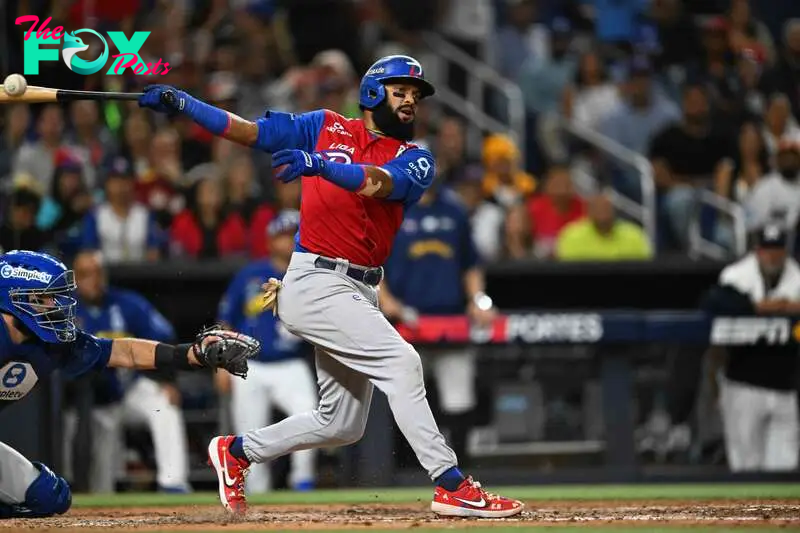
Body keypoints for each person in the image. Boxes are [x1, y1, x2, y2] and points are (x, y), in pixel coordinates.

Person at [138, 54, 523, 518]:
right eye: (400, 91)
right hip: (316, 278)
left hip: (359, 288)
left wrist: (320, 166)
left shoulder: (416, 157)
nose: (409, 102)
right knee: (402, 363)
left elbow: (379, 184)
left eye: (415, 96)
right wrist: (185, 104)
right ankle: (450, 484)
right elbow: (248, 131)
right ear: (372, 93)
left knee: (341, 423)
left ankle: (237, 451)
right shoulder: (325, 125)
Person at [0, 249, 257, 518]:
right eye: (45, 298)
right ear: (15, 298)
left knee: (51, 497)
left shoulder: (51, 343)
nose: (57, 305)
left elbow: (123, 352)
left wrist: (190, 354)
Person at [379, 181, 495, 466]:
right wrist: (386, 299)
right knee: (404, 394)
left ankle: (461, 472)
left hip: (450, 318)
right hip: (405, 321)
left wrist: (478, 299)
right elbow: (371, 261)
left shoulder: (454, 211)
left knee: (459, 397)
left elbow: (470, 264)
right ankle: (402, 471)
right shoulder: (391, 209)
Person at [66, 251, 191, 493]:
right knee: (98, 473)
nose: (91, 280)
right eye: (84, 275)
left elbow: (163, 337)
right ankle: (70, 489)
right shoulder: (65, 309)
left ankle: (173, 483)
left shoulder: (126, 303)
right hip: (89, 402)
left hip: (129, 388)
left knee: (164, 404)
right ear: (74, 279)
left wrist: (167, 380)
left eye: (96, 273)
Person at [216, 210, 317, 493]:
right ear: (271, 240)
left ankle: (303, 482)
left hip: (291, 363)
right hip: (249, 366)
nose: (289, 241)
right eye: (283, 235)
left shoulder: (311, 274)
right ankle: (257, 494)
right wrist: (222, 364)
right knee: (250, 432)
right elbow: (225, 320)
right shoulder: (250, 274)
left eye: (294, 235)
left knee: (309, 415)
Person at [710, 225, 800, 471]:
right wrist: (759, 307)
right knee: (745, 467)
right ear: (757, 251)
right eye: (767, 250)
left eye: (778, 250)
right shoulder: (736, 276)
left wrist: (791, 308)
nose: (773, 256)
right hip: (743, 386)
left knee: (784, 468)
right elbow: (713, 303)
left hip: (786, 389)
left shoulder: (796, 276)